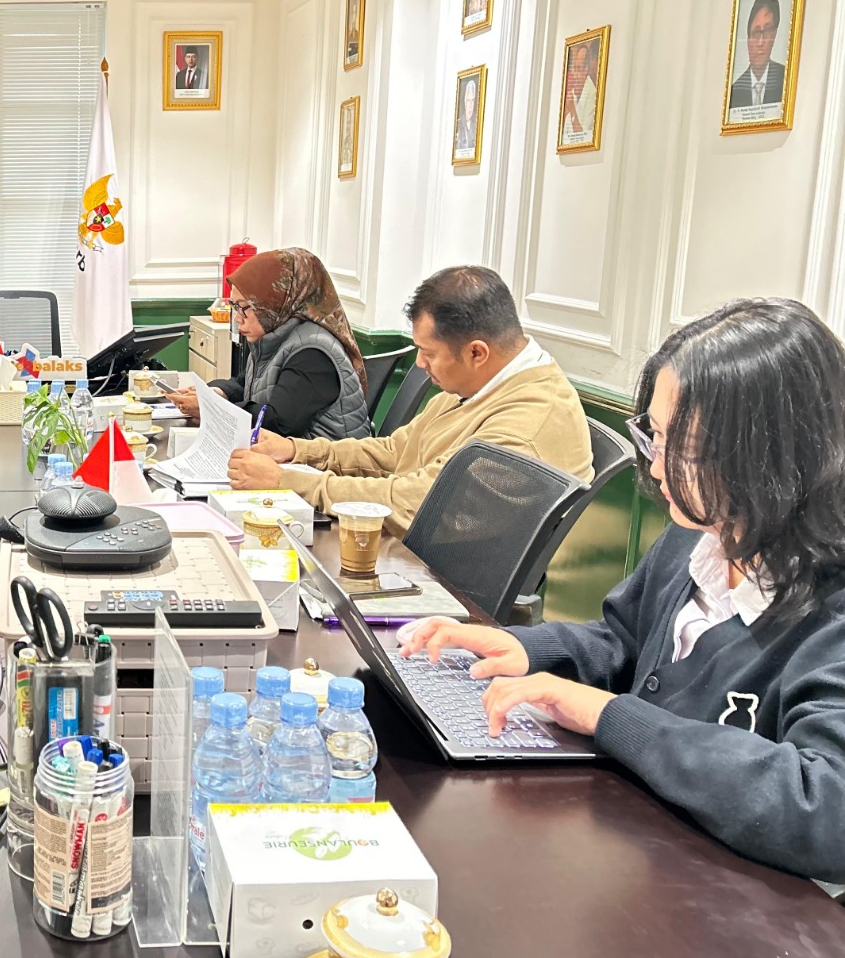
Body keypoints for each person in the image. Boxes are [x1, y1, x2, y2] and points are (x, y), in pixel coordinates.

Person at [400, 298, 845, 883]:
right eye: (653, 435)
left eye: (680, 448)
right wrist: (527, 649)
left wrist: (614, 717)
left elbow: (825, 806)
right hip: (641, 855)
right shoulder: (701, 537)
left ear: (771, 457)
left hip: (747, 921)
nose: (655, 466)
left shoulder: (827, 606)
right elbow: (622, 638)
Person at [228, 266, 592, 533]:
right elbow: (394, 451)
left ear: (476, 353)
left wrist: (287, 481)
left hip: (444, 581)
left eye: (429, 353)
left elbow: (413, 505)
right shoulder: (481, 384)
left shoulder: (524, 427)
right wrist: (295, 452)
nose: (419, 364)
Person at [168, 249, 370, 442]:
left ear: (275, 303)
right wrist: (218, 393)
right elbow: (247, 383)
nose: (238, 318)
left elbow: (276, 423)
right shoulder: (277, 333)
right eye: (234, 306)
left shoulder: (313, 353)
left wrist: (211, 408)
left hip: (327, 470)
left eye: (244, 307)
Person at [729, 0, 785, 110]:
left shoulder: (784, 80)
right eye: (756, 32)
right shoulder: (735, 91)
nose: (761, 42)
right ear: (748, 39)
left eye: (767, 31)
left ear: (774, 35)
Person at [562, 40, 598, 140]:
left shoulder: (593, 97)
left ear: (586, 69)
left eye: (579, 69)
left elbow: (584, 139)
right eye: (574, 68)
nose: (575, 74)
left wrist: (572, 110)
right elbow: (566, 136)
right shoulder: (573, 94)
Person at [455, 77, 480, 153]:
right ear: (465, 101)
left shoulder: (477, 123)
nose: (470, 105)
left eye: (472, 100)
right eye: (468, 100)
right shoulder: (458, 124)